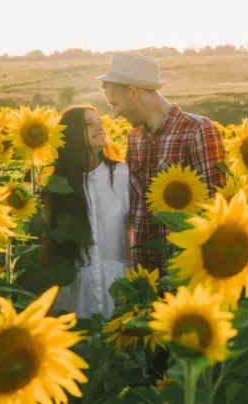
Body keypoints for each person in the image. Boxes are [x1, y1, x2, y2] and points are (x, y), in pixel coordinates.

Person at [96, 52, 227, 277]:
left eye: (115, 104)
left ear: (133, 92)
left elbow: (217, 206)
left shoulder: (197, 130)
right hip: (143, 274)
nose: (115, 114)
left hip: (182, 270)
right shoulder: (135, 136)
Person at [39, 105, 131, 319]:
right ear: (71, 136)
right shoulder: (58, 185)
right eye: (88, 124)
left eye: (99, 121)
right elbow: (50, 243)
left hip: (120, 287)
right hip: (75, 293)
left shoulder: (123, 174)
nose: (99, 127)